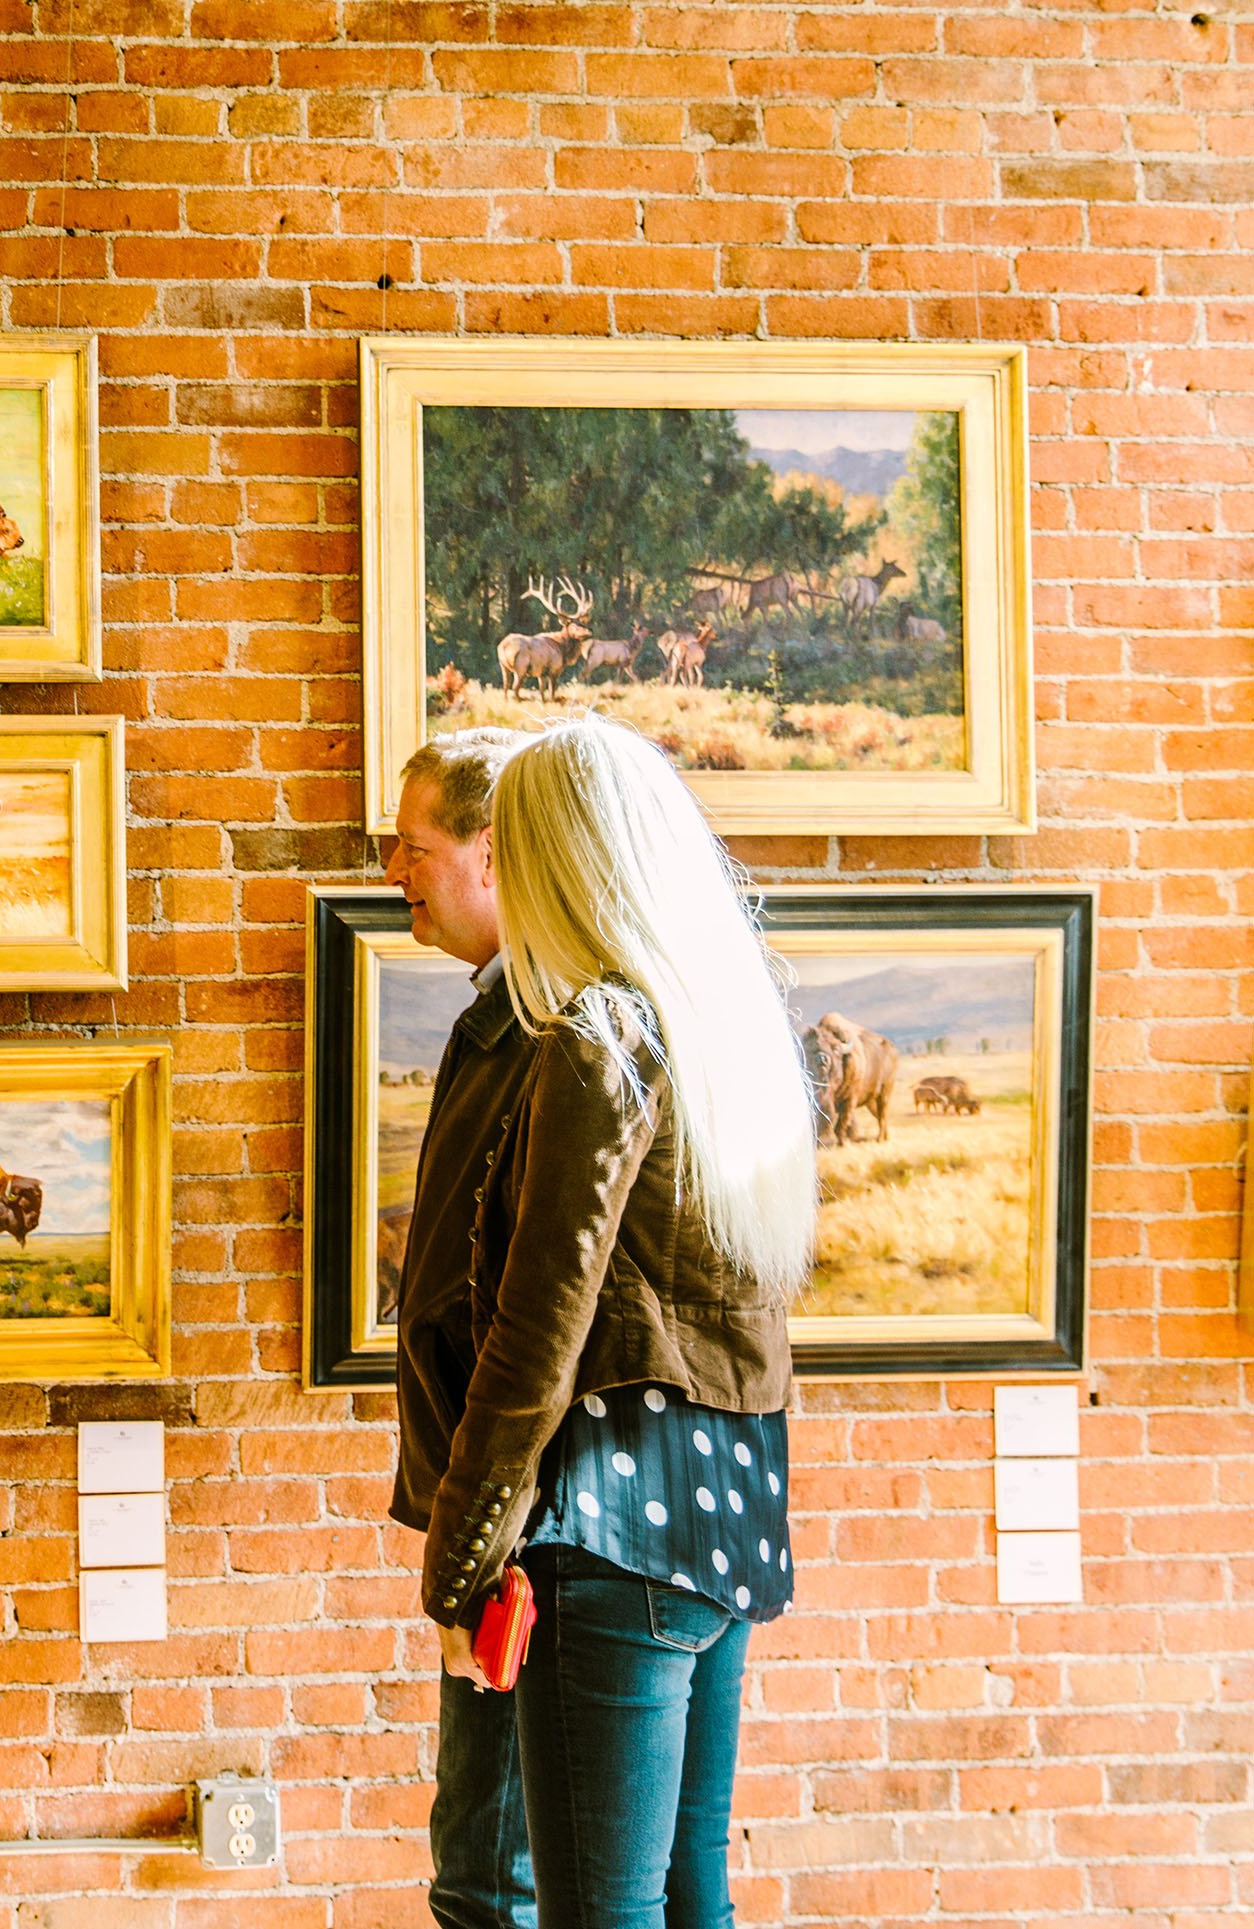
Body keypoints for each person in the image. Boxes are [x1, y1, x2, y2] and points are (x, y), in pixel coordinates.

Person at [420, 716, 817, 1929]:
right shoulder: (714, 1031)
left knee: (598, 1911)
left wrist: (459, 1555)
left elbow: (537, 1332)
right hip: (723, 1519)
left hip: (604, 1532)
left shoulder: (595, 1036)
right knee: (693, 1897)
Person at [380, 726, 538, 1929]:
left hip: (513, 1538)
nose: (393, 872)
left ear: (486, 852)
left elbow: (526, 1325)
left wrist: (471, 1552)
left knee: (486, 1883)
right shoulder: (499, 1020)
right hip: (481, 1521)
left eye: (411, 846)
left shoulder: (547, 1036)